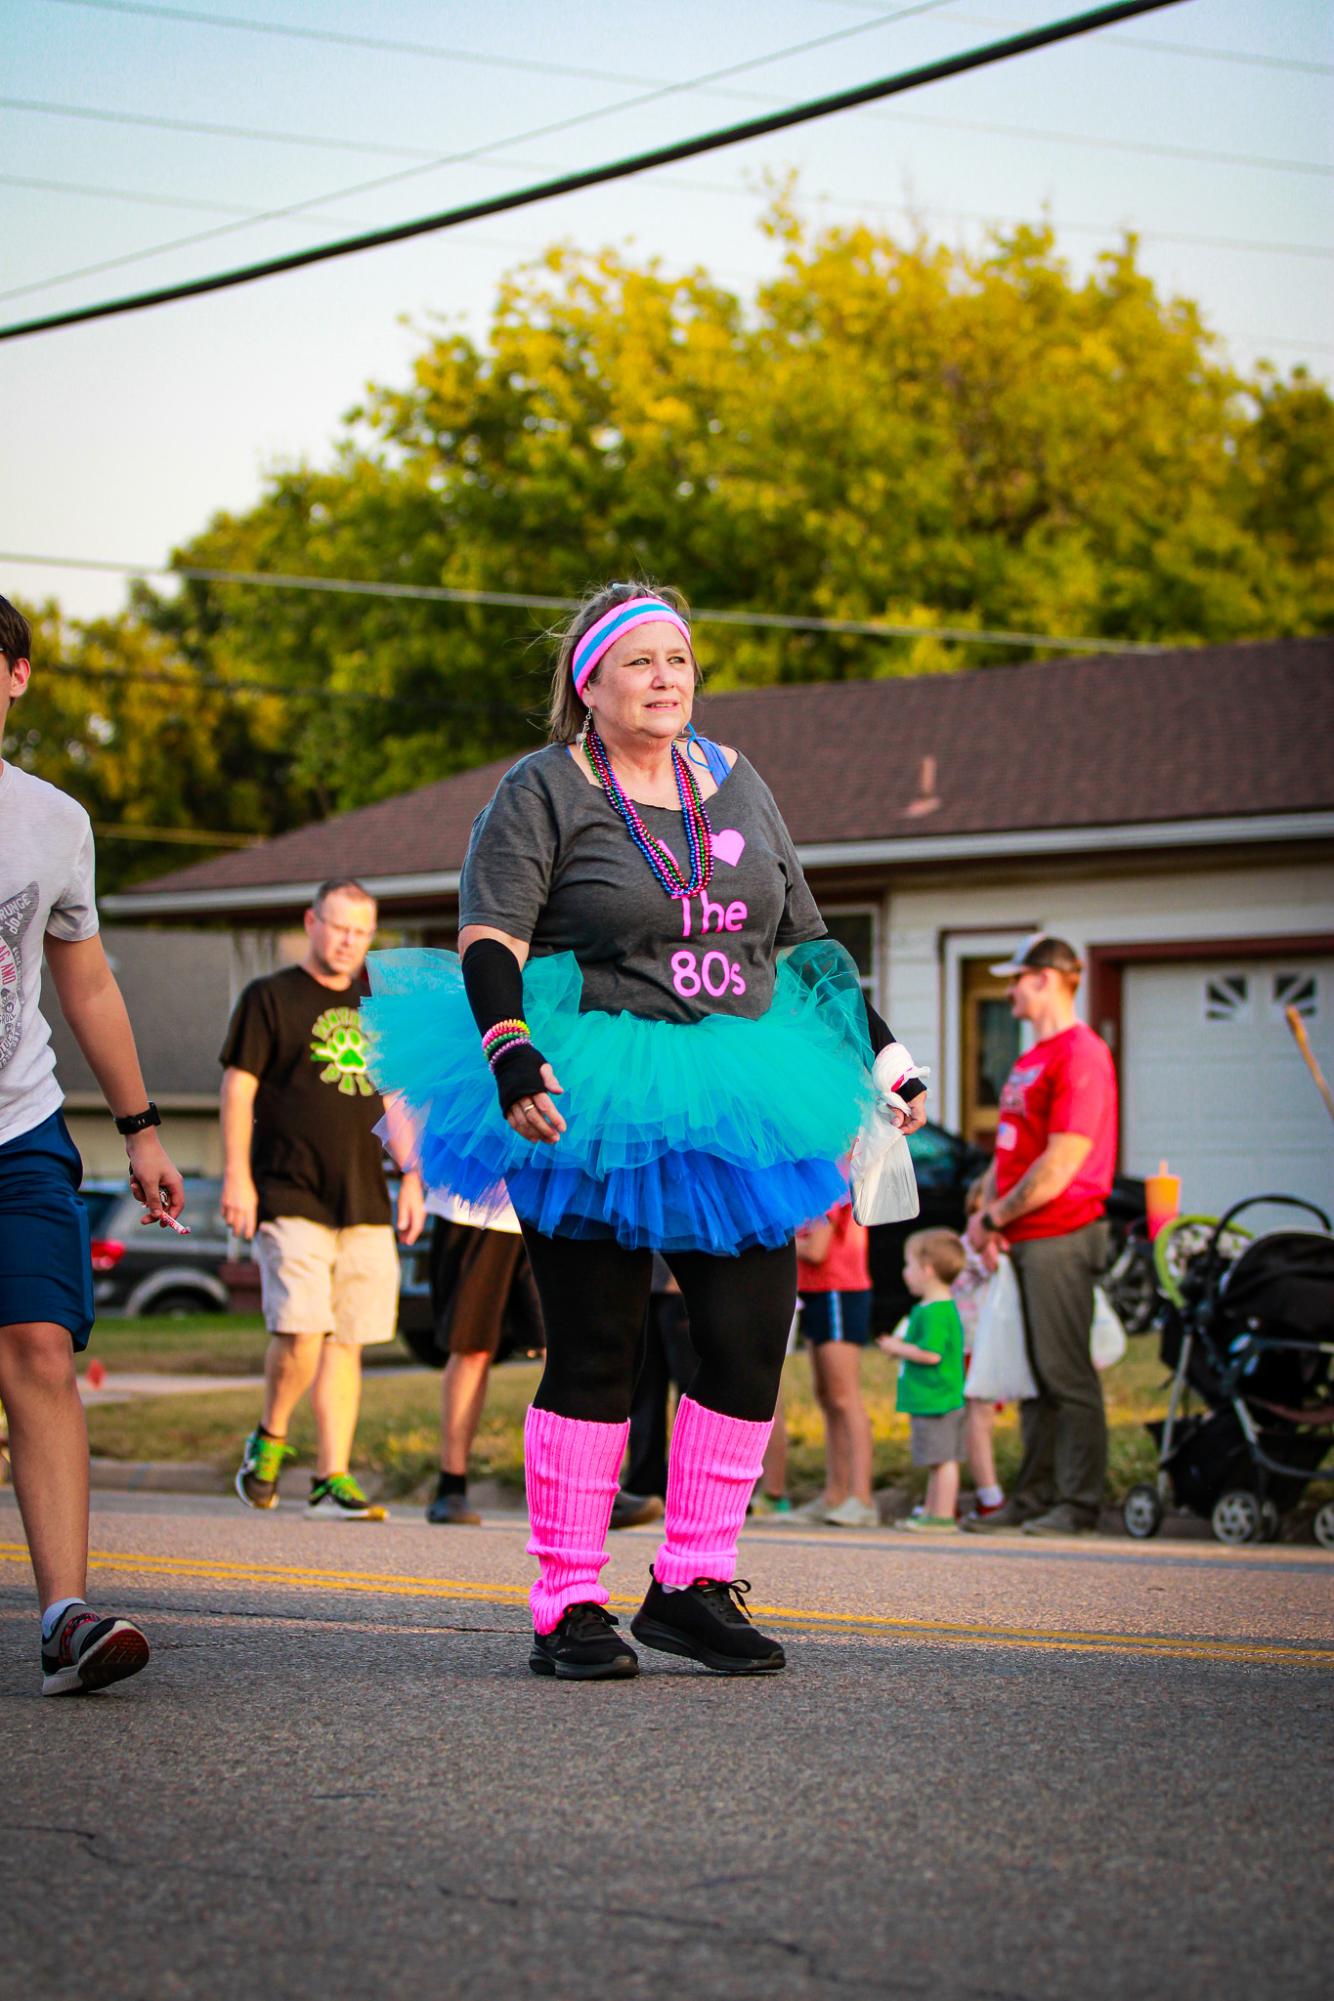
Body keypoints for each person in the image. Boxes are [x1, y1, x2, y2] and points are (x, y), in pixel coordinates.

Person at [363, 580, 927, 1680]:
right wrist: (506, 1046)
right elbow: (489, 936)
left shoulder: (735, 781)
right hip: (593, 1083)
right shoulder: (542, 790)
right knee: (595, 1348)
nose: (666, 679)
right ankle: (567, 1596)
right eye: (640, 662)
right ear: (592, 683)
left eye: (678, 659)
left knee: (748, 1332)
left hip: (737, 1080)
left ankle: (691, 1582)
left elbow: (804, 942)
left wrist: (885, 1053)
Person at [0, 594, 186, 1695]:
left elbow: (86, 982)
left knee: (41, 1351)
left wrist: (142, 1128)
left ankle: (64, 1614)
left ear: (17, 677)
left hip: (19, 1124)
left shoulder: (53, 821)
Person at [221, 878, 425, 1520]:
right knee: (303, 1329)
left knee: (348, 1340)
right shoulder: (270, 997)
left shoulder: (378, 1006)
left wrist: (414, 1177)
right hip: (287, 1187)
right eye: (338, 927)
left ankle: (330, 1479)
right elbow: (238, 1090)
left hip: (363, 1194)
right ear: (311, 922)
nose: (348, 942)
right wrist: (236, 1176)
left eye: (361, 932)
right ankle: (271, 1437)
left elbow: (394, 1099)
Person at [962, 934, 1117, 1538]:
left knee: (1064, 1373)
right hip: (1021, 1235)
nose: (1009, 989)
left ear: (1048, 978)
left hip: (1061, 1233)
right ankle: (1034, 1495)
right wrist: (986, 1208)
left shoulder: (1081, 1054)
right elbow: (1012, 1149)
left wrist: (996, 1217)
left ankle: (1077, 1504)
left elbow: (1062, 1161)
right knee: (1031, 1376)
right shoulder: (1032, 1058)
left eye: (1018, 977)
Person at [424, 1188, 541, 1525]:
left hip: (554, 1200)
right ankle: (451, 1485)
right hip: (480, 1204)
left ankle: (583, 1483)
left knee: (566, 1347)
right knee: (472, 1346)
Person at [794, 1197, 877, 1526]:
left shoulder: (831, 1185)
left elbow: (816, 1250)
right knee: (828, 1398)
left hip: (838, 1289)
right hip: (816, 1290)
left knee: (845, 1398)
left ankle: (862, 1498)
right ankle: (835, 1495)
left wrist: (776, 1237)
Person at [877, 1228, 966, 1533]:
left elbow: (931, 1354)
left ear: (927, 1270)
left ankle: (941, 1515)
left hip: (936, 1397)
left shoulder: (935, 1312)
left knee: (942, 1459)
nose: (905, 1272)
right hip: (934, 1397)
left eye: (909, 1264)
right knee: (938, 1458)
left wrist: (897, 1347)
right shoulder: (933, 1309)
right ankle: (932, 1511)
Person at [610, 1257, 697, 1530]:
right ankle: (644, 1484)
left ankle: (692, 1489)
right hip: (641, 1280)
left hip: (685, 1276)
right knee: (644, 1389)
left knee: (692, 1389)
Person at [955, 1176, 1006, 1524]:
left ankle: (984, 1494)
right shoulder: (965, 1251)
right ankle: (986, 1494)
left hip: (993, 1344)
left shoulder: (1004, 1250)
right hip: (972, 1344)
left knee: (978, 1418)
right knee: (976, 1417)